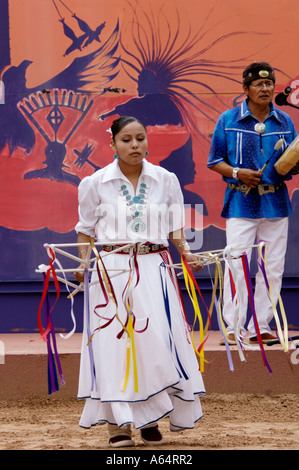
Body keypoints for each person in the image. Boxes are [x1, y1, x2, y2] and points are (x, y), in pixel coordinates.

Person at [74, 116, 205, 447]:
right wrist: (82, 262)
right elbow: (85, 229)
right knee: (114, 346)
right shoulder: (95, 182)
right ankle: (118, 427)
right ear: (113, 144)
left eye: (141, 139)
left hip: (154, 267)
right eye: (127, 140)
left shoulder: (165, 179)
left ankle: (149, 419)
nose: (135, 145)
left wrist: (186, 252)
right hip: (111, 271)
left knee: (157, 343)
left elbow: (176, 223)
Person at [207, 62, 297, 345]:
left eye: (269, 83)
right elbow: (214, 161)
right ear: (245, 89)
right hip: (240, 202)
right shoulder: (228, 119)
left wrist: (289, 166)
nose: (265, 88)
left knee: (273, 267)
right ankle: (233, 327)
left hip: (276, 202)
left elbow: (292, 161)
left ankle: (262, 325)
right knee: (237, 263)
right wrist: (237, 173)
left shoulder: (285, 121)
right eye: (258, 84)